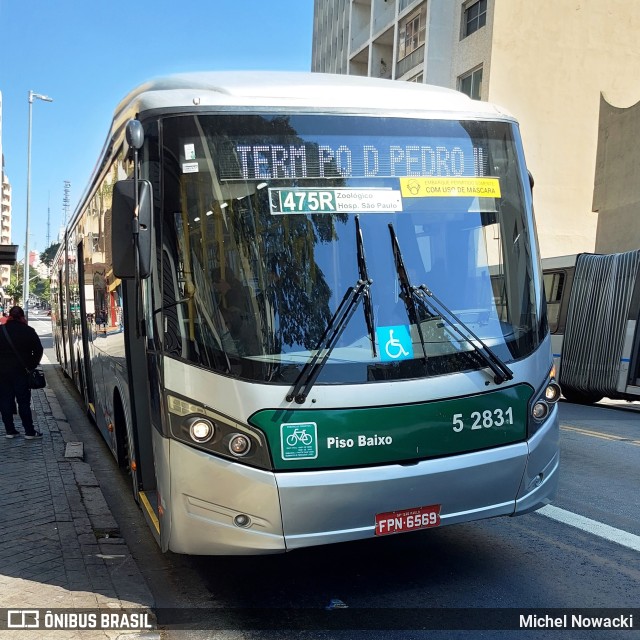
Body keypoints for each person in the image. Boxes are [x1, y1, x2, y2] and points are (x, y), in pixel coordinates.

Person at [0, 306, 44, 439]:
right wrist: (31, 365)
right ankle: (29, 432)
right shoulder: (28, 331)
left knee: (5, 400)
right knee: (23, 402)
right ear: (22, 316)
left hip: (2, 372)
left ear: (9, 316)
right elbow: (38, 350)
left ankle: (10, 430)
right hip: (21, 371)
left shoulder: (1, 330)